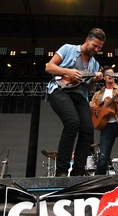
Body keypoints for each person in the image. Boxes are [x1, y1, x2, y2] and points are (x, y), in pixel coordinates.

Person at [45, 28, 106, 177]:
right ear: (87, 40)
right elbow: (49, 67)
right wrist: (68, 71)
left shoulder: (95, 64)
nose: (96, 50)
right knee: (72, 122)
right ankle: (61, 171)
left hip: (79, 95)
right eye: (95, 46)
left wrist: (94, 80)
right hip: (60, 91)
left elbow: (89, 88)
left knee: (87, 130)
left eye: (99, 48)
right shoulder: (68, 48)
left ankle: (78, 172)